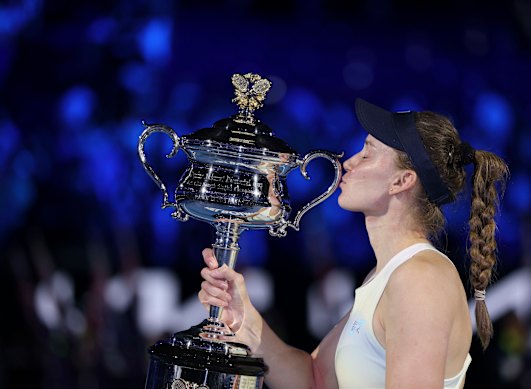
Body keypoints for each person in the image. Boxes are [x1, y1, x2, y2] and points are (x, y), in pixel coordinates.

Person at [198, 97, 509, 388]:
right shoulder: (385, 276)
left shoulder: (421, 279)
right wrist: (246, 321)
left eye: (368, 152)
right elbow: (315, 380)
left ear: (402, 181)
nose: (349, 163)